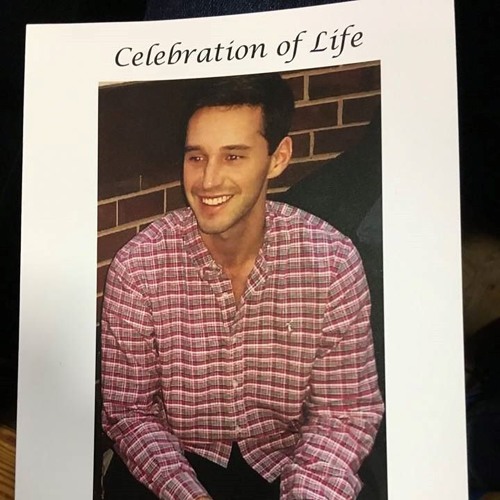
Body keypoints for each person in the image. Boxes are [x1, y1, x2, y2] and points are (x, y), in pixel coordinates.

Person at [101, 73, 384, 500]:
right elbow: (131, 411)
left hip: (287, 458)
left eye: (233, 156)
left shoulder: (331, 261)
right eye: (196, 157)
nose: (208, 180)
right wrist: (189, 495)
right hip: (176, 458)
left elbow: (342, 413)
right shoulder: (139, 266)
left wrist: (306, 494)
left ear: (277, 158)